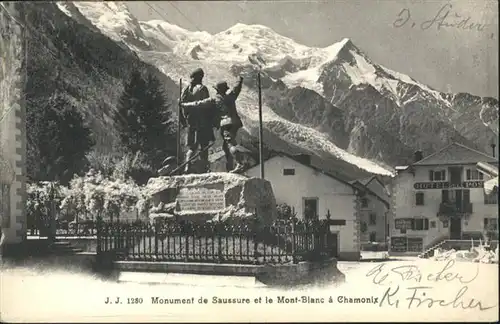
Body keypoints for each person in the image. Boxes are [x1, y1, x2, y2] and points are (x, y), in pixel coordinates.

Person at [181, 76, 245, 173]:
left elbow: (198, 103)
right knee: (225, 146)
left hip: (225, 124)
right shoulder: (231, 96)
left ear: (217, 90)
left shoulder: (214, 100)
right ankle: (230, 167)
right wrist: (239, 80)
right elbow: (237, 88)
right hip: (235, 123)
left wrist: (184, 105)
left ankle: (239, 163)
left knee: (229, 143)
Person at [179, 68, 216, 173]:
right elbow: (207, 106)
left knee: (192, 146)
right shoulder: (203, 89)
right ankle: (204, 168)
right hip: (202, 121)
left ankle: (187, 166)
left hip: (191, 121)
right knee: (204, 145)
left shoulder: (186, 89)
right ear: (200, 77)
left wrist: (183, 120)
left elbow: (181, 106)